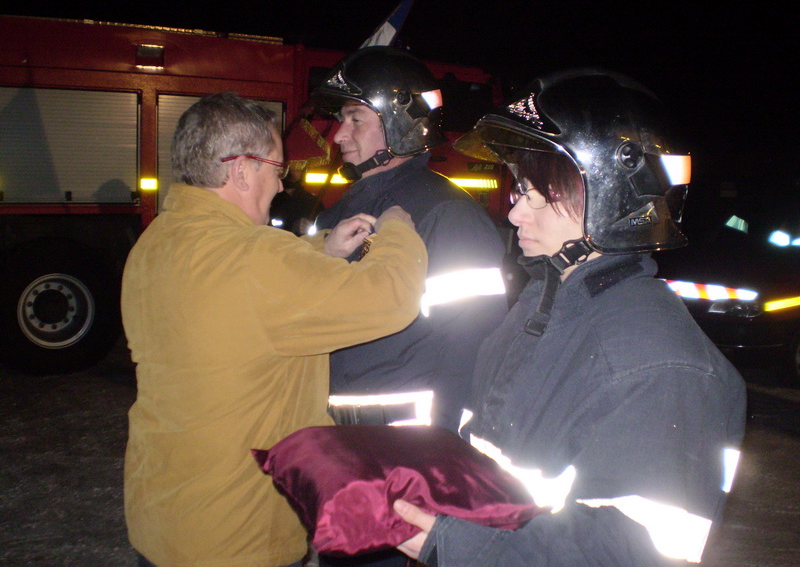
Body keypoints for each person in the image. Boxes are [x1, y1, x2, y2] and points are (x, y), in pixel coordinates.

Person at [392, 69, 747, 566]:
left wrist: (461, 545)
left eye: (539, 194)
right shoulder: (540, 309)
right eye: (519, 191)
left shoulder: (660, 368)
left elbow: (631, 555)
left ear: (614, 199)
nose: (516, 215)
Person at [120, 92, 428, 567]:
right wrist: (397, 231)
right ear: (242, 170)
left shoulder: (157, 242)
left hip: (163, 514)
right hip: (233, 537)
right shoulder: (256, 261)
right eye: (277, 169)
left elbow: (247, 290)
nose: (281, 186)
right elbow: (391, 298)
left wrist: (323, 247)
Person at [307, 46, 509, 434]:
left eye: (354, 119)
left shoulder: (447, 214)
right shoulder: (334, 214)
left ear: (399, 123)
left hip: (406, 444)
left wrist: (443, 450)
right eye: (340, 119)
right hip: (332, 432)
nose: (338, 134)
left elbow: (474, 342)